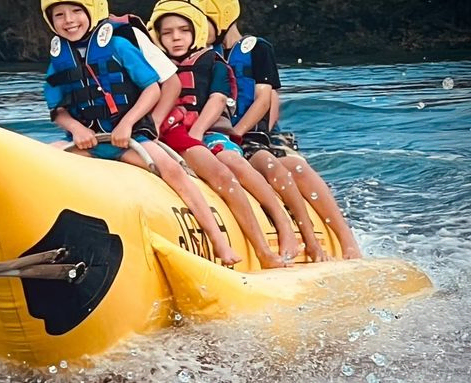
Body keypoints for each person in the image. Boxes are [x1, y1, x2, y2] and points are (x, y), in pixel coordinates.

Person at [41, 0, 241, 266]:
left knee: (173, 170)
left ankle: (219, 242)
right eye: (59, 15)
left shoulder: (119, 45)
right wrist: (76, 129)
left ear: (92, 11)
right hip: (87, 142)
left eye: (76, 11)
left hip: (130, 140)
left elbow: (152, 89)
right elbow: (58, 109)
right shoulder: (58, 60)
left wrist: (127, 124)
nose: (68, 20)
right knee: (46, 156)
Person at [202, 0, 362, 259]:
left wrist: (241, 131)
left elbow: (265, 98)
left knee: (296, 167)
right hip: (225, 135)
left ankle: (345, 239)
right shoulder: (206, 54)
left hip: (256, 133)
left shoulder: (258, 48)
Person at [147, 0, 290, 268]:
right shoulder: (155, 65)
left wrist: (198, 131)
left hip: (207, 132)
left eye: (183, 30)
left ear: (196, 32)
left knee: (230, 165)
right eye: (167, 32)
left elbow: (217, 99)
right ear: (158, 36)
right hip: (169, 133)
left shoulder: (213, 62)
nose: (176, 38)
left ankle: (267, 242)